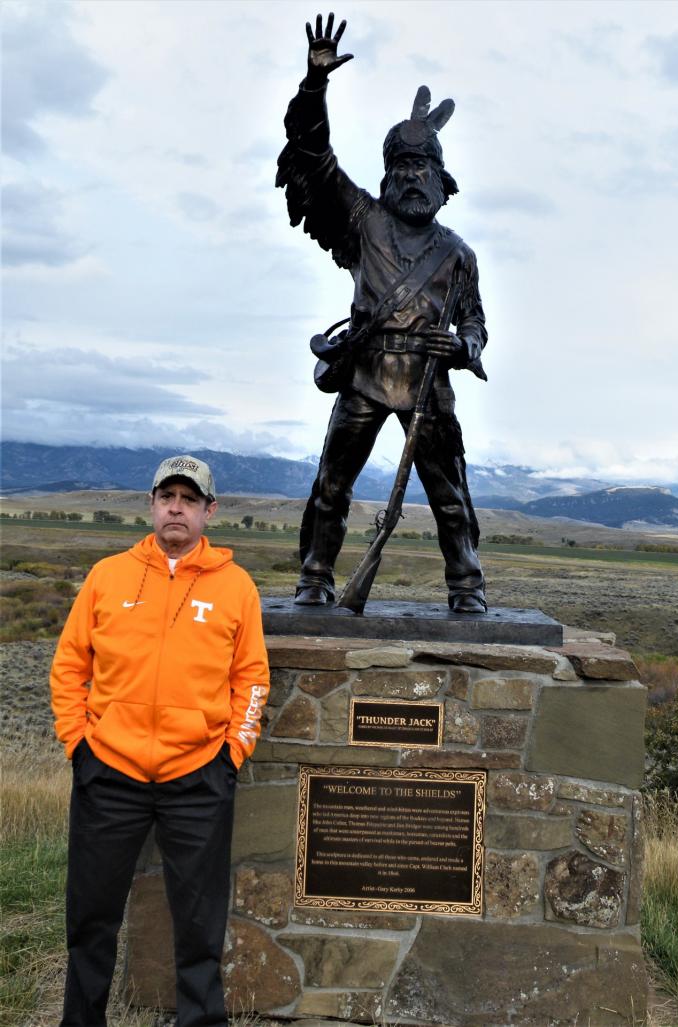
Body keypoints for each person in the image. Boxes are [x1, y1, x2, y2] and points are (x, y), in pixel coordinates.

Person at [276, 12, 488, 614]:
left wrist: (465, 347)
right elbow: (314, 154)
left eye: (423, 170)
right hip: (366, 374)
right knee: (331, 487)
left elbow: (475, 321)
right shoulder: (362, 222)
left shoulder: (458, 254)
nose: (412, 179)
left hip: (428, 380)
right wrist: (315, 84)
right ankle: (315, 576)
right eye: (402, 169)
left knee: (450, 493)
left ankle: (466, 587)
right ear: (388, 176)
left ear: (442, 182)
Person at [50, 454, 270, 1027]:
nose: (177, 507)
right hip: (109, 773)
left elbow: (251, 680)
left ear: (208, 512)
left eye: (189, 499)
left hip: (197, 776)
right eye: (167, 497)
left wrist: (231, 754)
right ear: (151, 505)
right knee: (91, 918)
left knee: (200, 926)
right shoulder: (108, 576)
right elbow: (69, 666)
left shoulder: (236, 587)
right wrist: (80, 743)